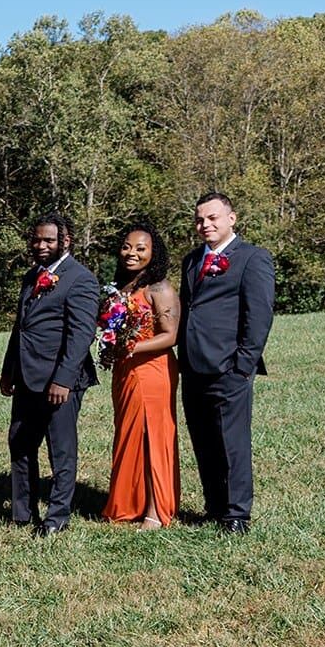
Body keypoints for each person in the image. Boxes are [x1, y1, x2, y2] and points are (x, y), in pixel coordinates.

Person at [177, 191, 275, 533]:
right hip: (192, 367)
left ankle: (236, 515)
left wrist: (243, 365)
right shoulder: (191, 261)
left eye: (212, 217)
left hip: (229, 368)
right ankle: (215, 506)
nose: (205, 224)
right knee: (203, 441)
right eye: (199, 219)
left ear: (231, 219)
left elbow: (259, 316)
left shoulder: (253, 258)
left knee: (232, 443)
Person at [0, 212, 100, 536]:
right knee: (20, 442)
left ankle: (57, 517)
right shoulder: (32, 276)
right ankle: (22, 513)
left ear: (65, 241)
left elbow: (81, 335)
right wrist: (9, 370)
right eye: (36, 239)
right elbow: (21, 327)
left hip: (60, 380)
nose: (41, 245)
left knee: (61, 449)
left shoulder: (81, 279)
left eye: (49, 240)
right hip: (26, 376)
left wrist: (63, 380)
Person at [100, 223, 182, 528]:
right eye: (126, 246)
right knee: (129, 434)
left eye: (140, 248)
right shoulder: (121, 288)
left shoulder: (159, 288)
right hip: (125, 371)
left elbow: (170, 335)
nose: (131, 253)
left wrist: (131, 347)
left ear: (153, 253)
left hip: (152, 371)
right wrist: (111, 347)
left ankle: (155, 510)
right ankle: (128, 504)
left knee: (151, 437)